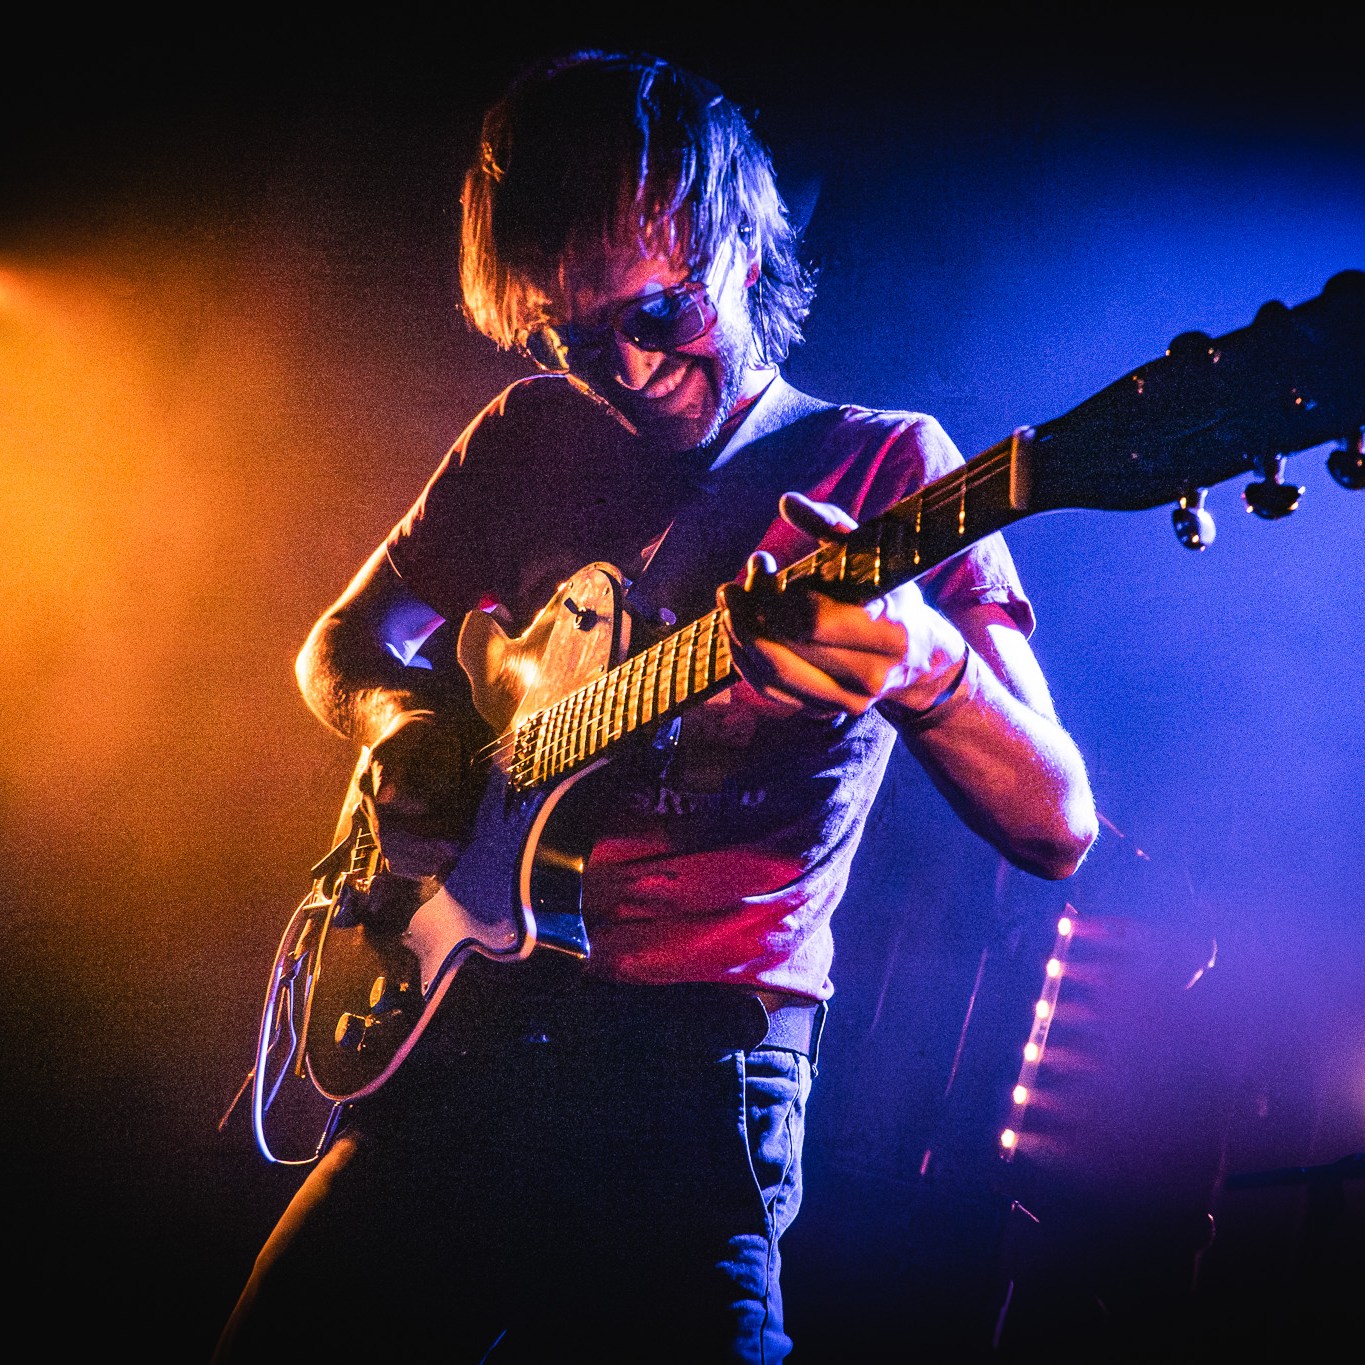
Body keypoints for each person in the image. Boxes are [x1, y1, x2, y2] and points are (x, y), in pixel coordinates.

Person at [214, 50, 1097, 1364]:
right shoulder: (524, 438)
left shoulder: (884, 466)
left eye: (660, 312)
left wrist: (924, 664)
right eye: (573, 338)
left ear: (743, 249)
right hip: (454, 1036)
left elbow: (1057, 822)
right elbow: (339, 646)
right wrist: (406, 730)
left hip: (692, 1086)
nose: (625, 366)